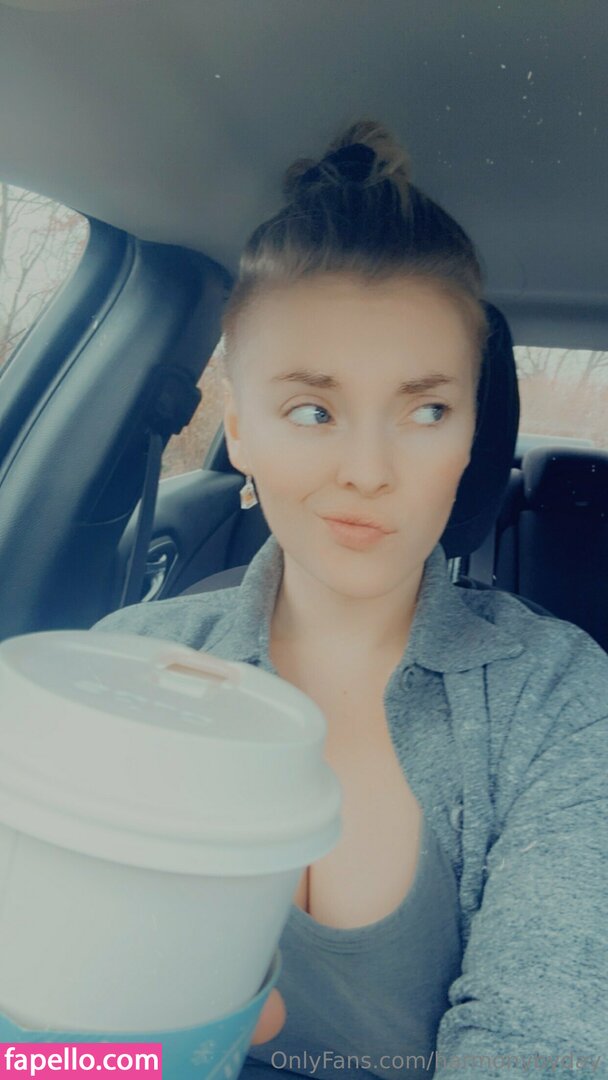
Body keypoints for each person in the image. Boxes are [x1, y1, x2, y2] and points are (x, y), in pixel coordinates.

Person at [92, 120, 607, 1078]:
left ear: (471, 439)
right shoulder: (129, 665)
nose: (368, 470)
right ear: (239, 429)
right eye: (312, 410)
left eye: (426, 410)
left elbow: (549, 1042)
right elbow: (53, 1043)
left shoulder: (561, 701)